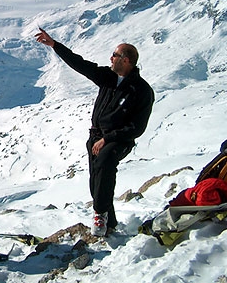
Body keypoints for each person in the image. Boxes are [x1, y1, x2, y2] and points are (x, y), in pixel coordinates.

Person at [35, 28, 154, 236]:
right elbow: (80, 64)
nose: (111, 58)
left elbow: (138, 127)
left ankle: (99, 214)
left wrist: (108, 139)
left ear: (126, 60)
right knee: (96, 181)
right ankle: (111, 222)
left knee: (105, 163)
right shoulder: (108, 77)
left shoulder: (142, 91)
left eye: (115, 55)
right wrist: (55, 45)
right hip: (96, 136)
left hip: (119, 140)